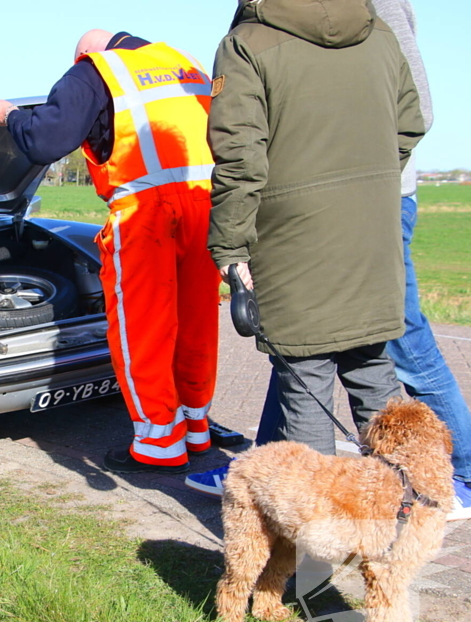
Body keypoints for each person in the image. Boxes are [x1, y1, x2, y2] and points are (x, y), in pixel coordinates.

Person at [240, 0, 471, 520]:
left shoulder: (375, 9)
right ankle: (265, 470)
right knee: (303, 341)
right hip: (337, 200)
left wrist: (361, 173)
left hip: (374, 200)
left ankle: (461, 476)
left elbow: (414, 106)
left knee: (401, 336)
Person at [185, 0, 426, 495]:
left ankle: (315, 564)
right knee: (373, 369)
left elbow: (239, 158)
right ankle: (394, 535)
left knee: (307, 384)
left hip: (291, 238)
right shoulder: (379, 33)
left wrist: (230, 248)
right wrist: (368, 186)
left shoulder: (246, 44)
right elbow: (410, 124)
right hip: (370, 234)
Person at [0, 29, 223, 473]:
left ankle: (159, 444)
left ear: (86, 53)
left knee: (142, 327)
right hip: (208, 205)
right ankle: (195, 427)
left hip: (147, 213)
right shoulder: (183, 62)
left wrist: (10, 114)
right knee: (197, 320)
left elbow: (47, 141)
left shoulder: (95, 71)